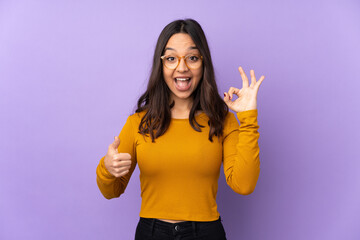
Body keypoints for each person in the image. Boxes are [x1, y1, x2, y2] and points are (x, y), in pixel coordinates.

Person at [96, 18, 265, 240]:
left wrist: (248, 118)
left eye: (192, 58)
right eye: (171, 58)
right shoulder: (138, 123)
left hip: (206, 233)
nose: (182, 67)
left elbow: (244, 185)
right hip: (151, 233)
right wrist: (107, 168)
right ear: (161, 65)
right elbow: (111, 191)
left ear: (203, 64)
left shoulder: (222, 121)